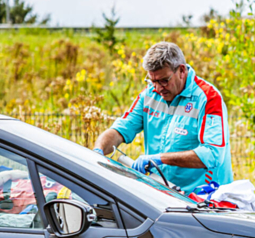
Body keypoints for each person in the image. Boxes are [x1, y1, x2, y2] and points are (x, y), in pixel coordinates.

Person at [93, 41, 232, 193]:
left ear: (181, 71)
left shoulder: (208, 98)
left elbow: (213, 155)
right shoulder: (149, 94)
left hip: (206, 197)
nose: (158, 88)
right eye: (153, 81)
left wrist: (160, 158)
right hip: (164, 194)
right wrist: (97, 151)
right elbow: (121, 129)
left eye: (164, 81)